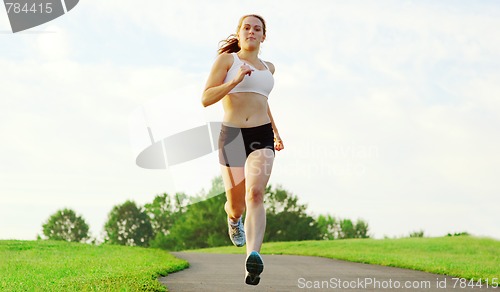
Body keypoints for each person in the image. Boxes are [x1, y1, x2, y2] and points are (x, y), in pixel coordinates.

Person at [201, 14, 284, 285]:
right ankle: (233, 219)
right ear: (239, 33)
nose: (252, 31)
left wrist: (276, 131)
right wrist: (234, 81)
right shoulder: (228, 61)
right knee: (236, 204)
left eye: (257, 28)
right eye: (246, 27)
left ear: (263, 36)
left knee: (255, 193)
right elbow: (206, 98)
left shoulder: (269, 68)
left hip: (262, 136)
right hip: (233, 137)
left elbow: (262, 101)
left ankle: (253, 257)